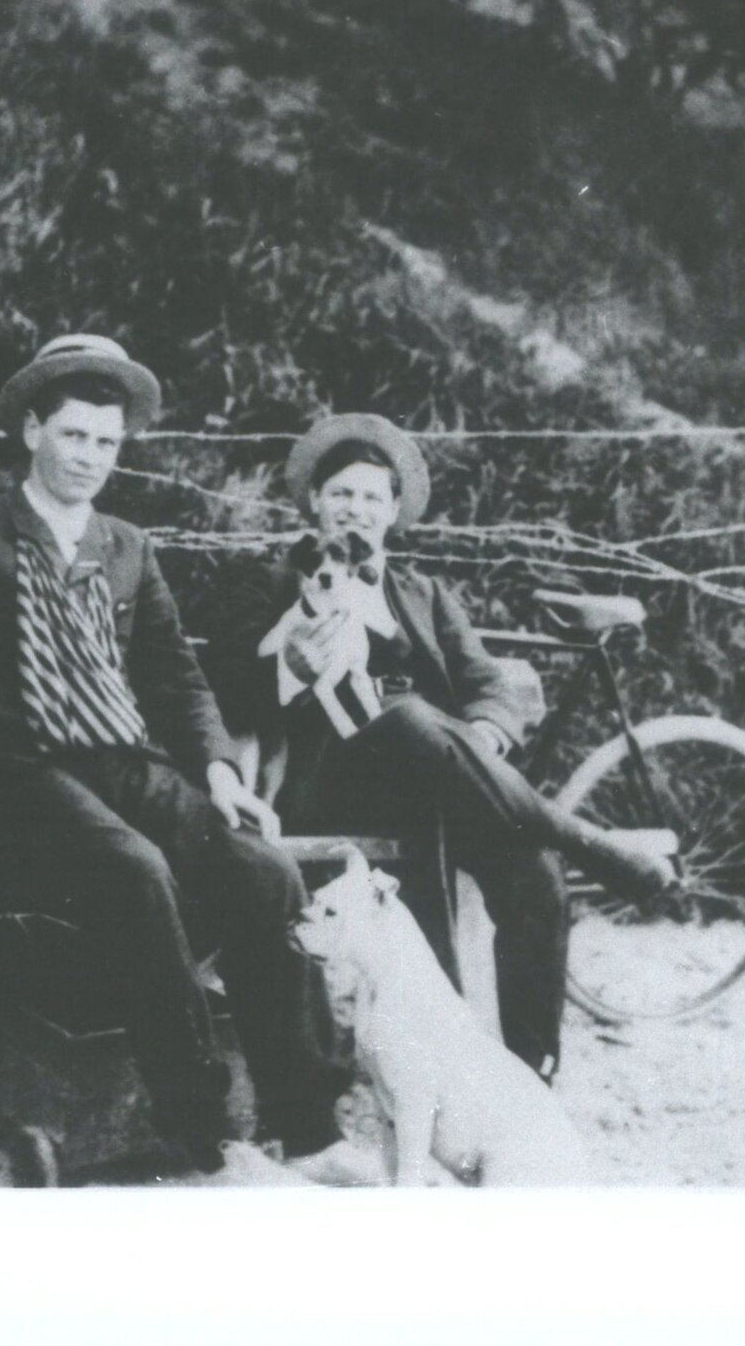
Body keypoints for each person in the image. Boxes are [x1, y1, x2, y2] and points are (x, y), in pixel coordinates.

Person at [0, 335, 376, 1184]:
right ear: (31, 432)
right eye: (74, 435)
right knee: (134, 868)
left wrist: (223, 776)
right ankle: (201, 1134)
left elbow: (174, 676)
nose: (89, 458)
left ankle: (307, 1130)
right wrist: (41, 744)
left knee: (260, 868)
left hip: (122, 762)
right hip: (14, 772)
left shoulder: (126, 545)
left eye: (106, 442)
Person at [218, 414, 676, 1085]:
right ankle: (594, 845)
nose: (356, 509)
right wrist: (288, 661)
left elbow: (487, 685)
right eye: (341, 494)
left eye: (373, 497)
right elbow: (228, 686)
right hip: (331, 779)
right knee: (404, 717)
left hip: (445, 780)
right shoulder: (266, 580)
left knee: (534, 869)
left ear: (394, 511)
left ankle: (527, 1078)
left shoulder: (422, 594)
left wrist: (485, 735)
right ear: (313, 501)